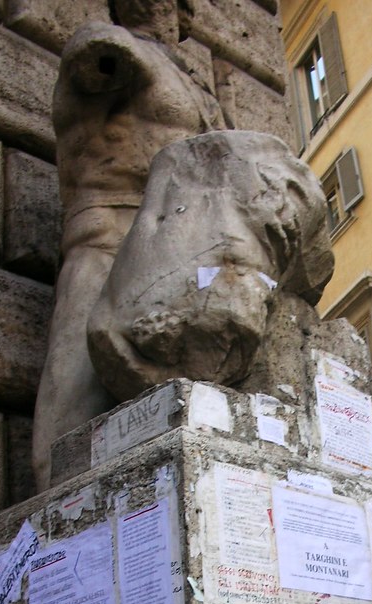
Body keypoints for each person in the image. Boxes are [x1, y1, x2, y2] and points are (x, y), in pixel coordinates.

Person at [32, 0, 226, 490]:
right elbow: (98, 58)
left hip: (187, 250)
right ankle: (55, 529)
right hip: (109, 236)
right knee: (71, 410)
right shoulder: (107, 46)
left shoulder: (198, 88)